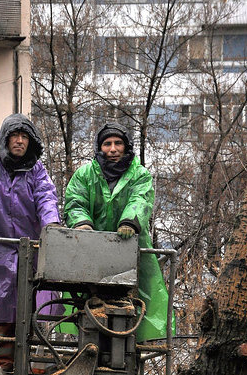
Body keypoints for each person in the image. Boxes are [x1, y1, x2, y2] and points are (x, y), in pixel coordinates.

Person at [0, 114, 60, 369]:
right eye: (14, 136)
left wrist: (52, 226)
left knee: (28, 313)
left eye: (24, 136)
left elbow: (46, 197)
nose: (19, 141)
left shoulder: (36, 169)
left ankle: (26, 364)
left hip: (29, 251)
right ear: (5, 139)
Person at [63, 121, 170, 341]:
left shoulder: (139, 174)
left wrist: (130, 222)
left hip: (131, 253)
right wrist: (81, 223)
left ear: (126, 146)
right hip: (90, 255)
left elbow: (140, 200)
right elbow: (75, 200)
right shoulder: (85, 174)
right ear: (99, 147)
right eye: (107, 143)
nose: (113, 149)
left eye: (118, 143)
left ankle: (131, 354)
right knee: (88, 308)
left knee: (135, 310)